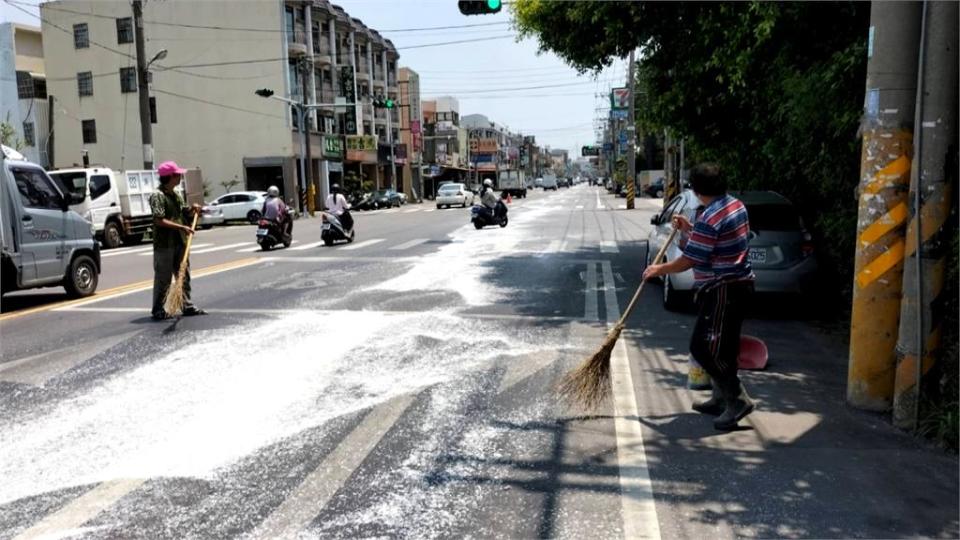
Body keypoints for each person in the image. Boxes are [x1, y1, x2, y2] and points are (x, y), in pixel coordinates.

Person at [642, 163, 755, 431]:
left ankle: (737, 400)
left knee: (704, 348)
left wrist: (659, 269)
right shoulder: (734, 205)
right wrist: (688, 228)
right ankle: (719, 399)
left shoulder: (711, 217)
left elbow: (691, 259)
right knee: (723, 347)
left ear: (695, 189)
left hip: (723, 289)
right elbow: (710, 243)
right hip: (736, 286)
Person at [150, 161, 206, 320]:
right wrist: (181, 227)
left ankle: (186, 305)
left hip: (180, 242)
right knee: (163, 278)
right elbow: (159, 220)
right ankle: (158, 309)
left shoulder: (176, 195)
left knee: (183, 274)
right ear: (170, 177)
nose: (180, 177)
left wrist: (193, 210)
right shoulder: (157, 196)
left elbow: (184, 212)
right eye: (178, 174)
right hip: (164, 244)